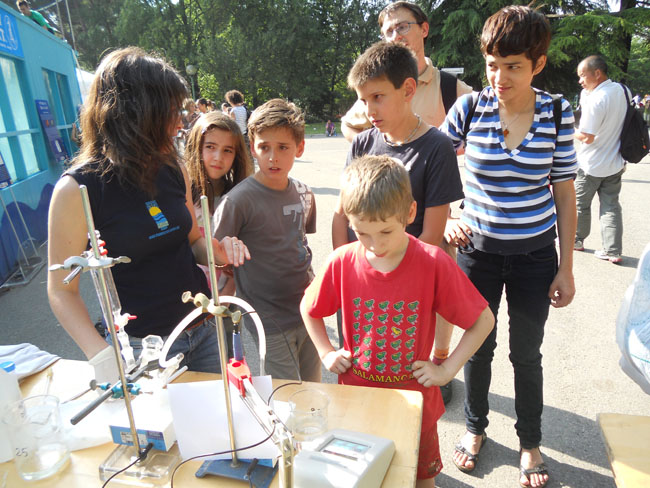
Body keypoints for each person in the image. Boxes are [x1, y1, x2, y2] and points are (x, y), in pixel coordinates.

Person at [47, 47, 249, 377]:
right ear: (133, 113)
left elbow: (193, 240)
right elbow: (60, 290)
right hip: (146, 347)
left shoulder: (173, 168)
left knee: (220, 420)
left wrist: (220, 252)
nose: (179, 123)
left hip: (203, 325)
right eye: (169, 111)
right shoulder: (77, 190)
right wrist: (101, 357)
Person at [440, 7, 577, 488]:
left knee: (527, 353)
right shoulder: (470, 108)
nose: (499, 76)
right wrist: (452, 215)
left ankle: (530, 443)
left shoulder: (558, 112)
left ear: (538, 64)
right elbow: (435, 165)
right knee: (478, 348)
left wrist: (567, 268)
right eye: (493, 64)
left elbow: (564, 193)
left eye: (514, 65)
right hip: (477, 253)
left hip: (535, 257)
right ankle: (474, 429)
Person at [301, 156, 494, 488]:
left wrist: (445, 370)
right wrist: (325, 352)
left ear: (410, 213)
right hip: (356, 403)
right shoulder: (343, 260)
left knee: (419, 480)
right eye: (362, 232)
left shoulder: (434, 263)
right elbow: (310, 309)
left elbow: (483, 321)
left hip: (414, 407)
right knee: (359, 478)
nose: (375, 245)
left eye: (386, 231)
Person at [340, 1, 474, 403]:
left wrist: (396, 276)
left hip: (412, 274)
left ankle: (439, 367)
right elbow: (342, 213)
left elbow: (432, 234)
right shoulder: (365, 139)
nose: (369, 110)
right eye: (365, 101)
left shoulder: (436, 145)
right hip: (369, 268)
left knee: (412, 371)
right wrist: (347, 266)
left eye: (377, 99)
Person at [213, 99, 320, 382]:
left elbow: (299, 243)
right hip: (269, 319)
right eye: (264, 147)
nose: (273, 157)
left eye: (283, 147)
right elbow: (217, 254)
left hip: (309, 310)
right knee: (285, 395)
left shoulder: (304, 193)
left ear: (300, 148)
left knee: (313, 390)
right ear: (252, 148)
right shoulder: (237, 201)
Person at [340, 1, 472, 142]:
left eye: (402, 27)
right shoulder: (379, 86)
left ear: (424, 29)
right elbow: (348, 126)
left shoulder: (449, 87)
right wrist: (376, 150)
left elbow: (489, 119)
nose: (396, 36)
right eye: (389, 32)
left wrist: (452, 149)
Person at [573, 55, 628, 264]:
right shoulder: (622, 91)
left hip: (590, 165)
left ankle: (577, 240)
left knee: (580, 205)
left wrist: (570, 129)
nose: (580, 81)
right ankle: (613, 251)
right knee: (611, 207)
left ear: (597, 73)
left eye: (582, 75)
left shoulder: (597, 98)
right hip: (615, 162)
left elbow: (587, 137)